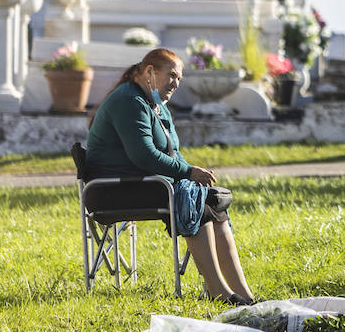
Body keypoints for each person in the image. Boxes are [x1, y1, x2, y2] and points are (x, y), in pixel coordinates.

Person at [84, 48, 256, 305]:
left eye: (179, 78)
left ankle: (244, 294)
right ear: (150, 72)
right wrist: (187, 173)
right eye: (172, 75)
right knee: (194, 199)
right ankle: (218, 291)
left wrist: (192, 173)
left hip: (145, 183)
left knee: (210, 200)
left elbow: (173, 154)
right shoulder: (129, 100)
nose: (176, 83)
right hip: (113, 190)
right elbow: (144, 156)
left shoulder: (158, 106)